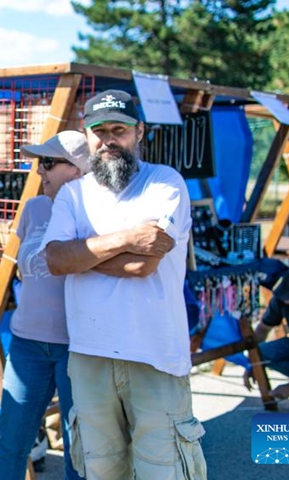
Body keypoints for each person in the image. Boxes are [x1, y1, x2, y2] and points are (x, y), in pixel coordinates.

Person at [43, 89, 207, 479]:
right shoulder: (73, 194)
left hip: (154, 354)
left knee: (162, 470)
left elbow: (142, 265)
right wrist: (125, 238)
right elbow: (55, 260)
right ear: (87, 136)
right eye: (99, 132)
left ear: (140, 132)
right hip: (89, 355)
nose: (109, 140)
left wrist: (82, 255)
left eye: (120, 129)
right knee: (102, 471)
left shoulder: (164, 183)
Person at [0, 130, 90, 480]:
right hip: (26, 345)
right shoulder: (33, 207)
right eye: (38, 162)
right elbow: (24, 269)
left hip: (77, 348)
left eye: (47, 162)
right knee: (11, 444)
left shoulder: (98, 215)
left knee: (77, 450)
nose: (39, 171)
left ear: (78, 169)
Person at [244, 265, 289, 406]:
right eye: (286, 295)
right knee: (262, 352)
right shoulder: (281, 300)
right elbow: (263, 329)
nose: (287, 301)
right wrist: (252, 364)